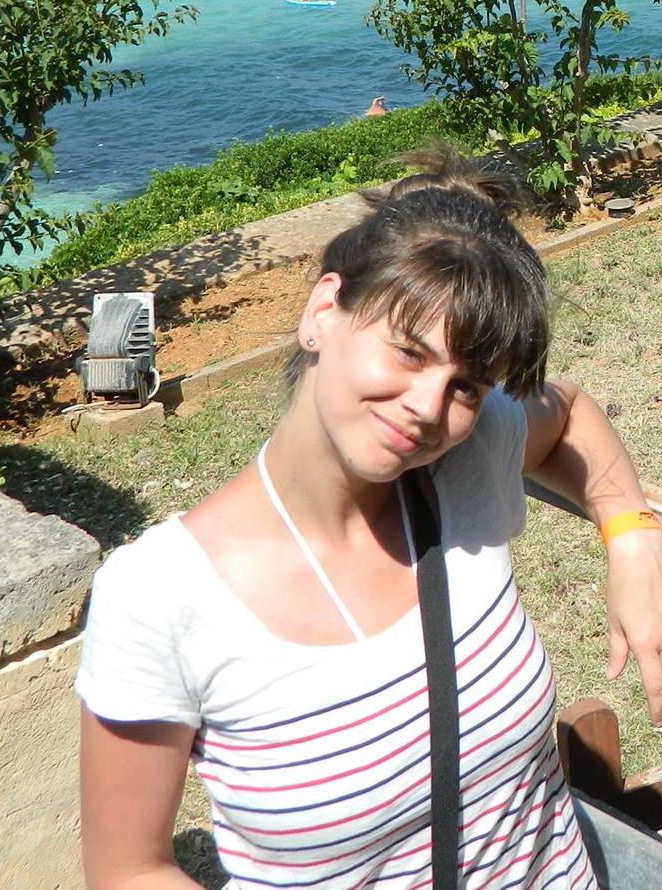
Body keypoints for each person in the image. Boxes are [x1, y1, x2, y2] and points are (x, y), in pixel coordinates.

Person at [76, 146, 662, 890]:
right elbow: (130, 871)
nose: (426, 408)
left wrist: (633, 535)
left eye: (467, 386)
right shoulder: (160, 597)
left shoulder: (463, 464)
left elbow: (568, 412)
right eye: (408, 353)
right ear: (323, 311)